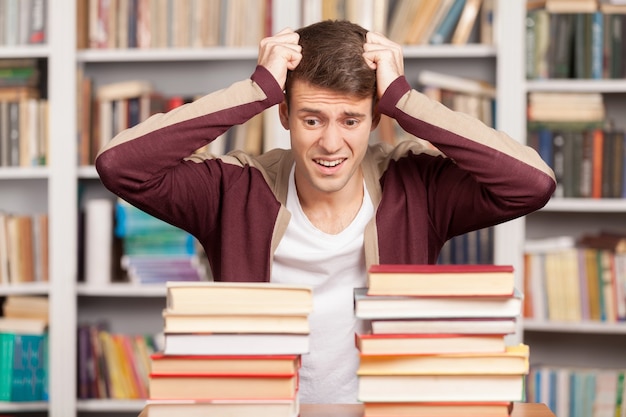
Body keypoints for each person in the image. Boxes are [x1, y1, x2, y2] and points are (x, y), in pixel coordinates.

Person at [95, 20, 556, 403]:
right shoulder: (233, 189)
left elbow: (531, 184)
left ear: (376, 118)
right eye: (311, 119)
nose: (331, 144)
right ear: (283, 115)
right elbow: (119, 166)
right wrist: (256, 89)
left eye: (351, 120)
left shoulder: (416, 185)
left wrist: (404, 100)